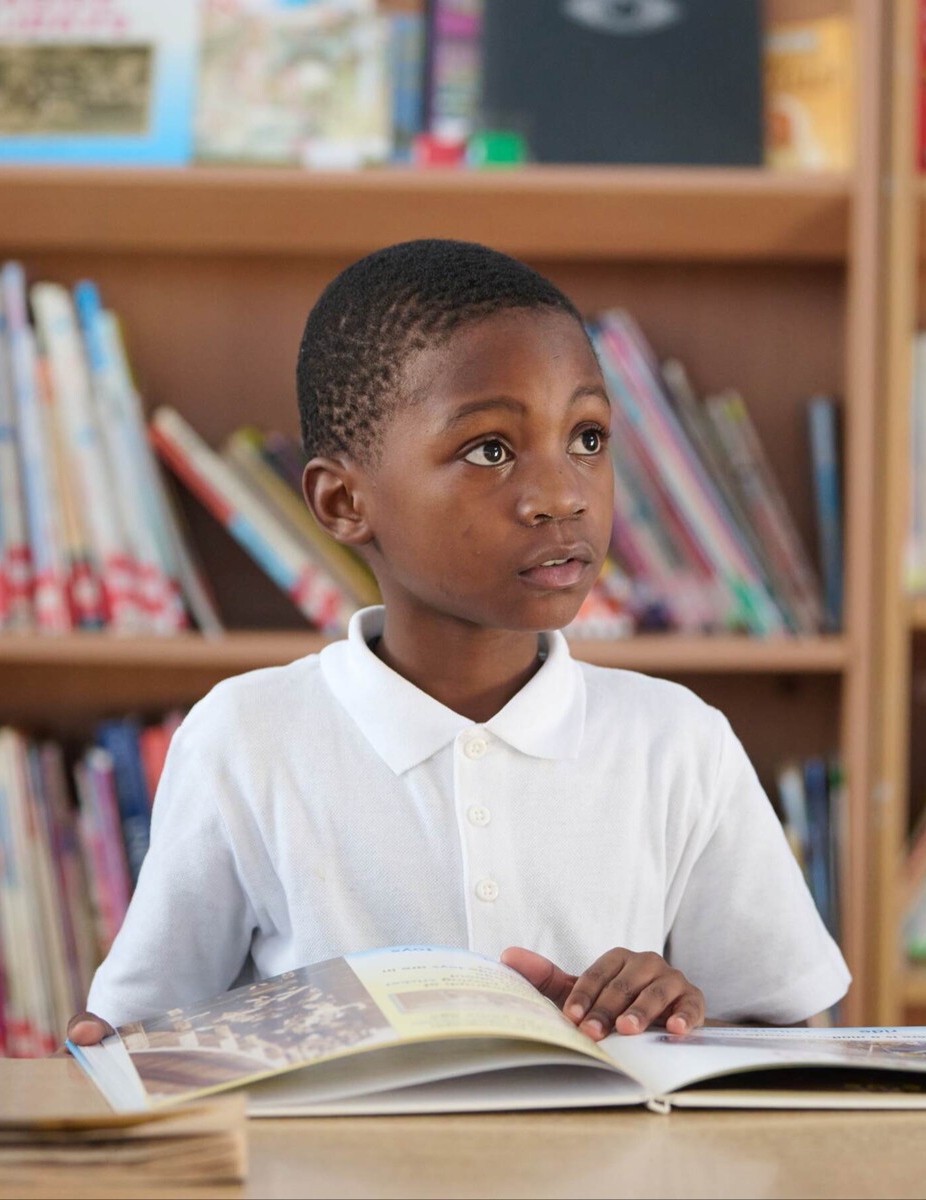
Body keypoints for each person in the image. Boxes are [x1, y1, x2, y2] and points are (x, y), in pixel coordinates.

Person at [68, 240, 847, 1049]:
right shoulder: (245, 739)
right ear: (343, 503)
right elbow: (140, 1040)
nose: (562, 496)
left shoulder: (680, 743)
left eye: (587, 438)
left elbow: (791, 1034)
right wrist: (115, 1049)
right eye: (491, 450)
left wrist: (677, 1013)